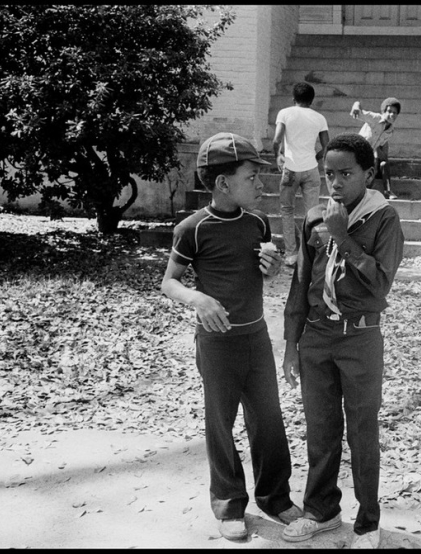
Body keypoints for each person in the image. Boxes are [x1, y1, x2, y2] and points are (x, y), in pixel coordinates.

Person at [161, 132, 303, 541]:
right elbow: (169, 282)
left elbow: (263, 274)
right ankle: (228, 504)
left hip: (256, 337)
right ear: (223, 183)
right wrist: (198, 299)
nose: (261, 184)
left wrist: (271, 270)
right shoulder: (193, 228)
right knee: (220, 423)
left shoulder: (258, 222)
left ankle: (275, 497)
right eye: (251, 177)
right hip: (217, 343)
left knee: (269, 420)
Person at [280, 134, 405, 549]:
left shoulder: (383, 218)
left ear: (369, 174)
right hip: (317, 336)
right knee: (320, 429)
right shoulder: (315, 216)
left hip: (360, 338)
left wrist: (342, 238)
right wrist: (291, 344)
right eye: (329, 173)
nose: (334, 183)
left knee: (362, 432)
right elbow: (301, 285)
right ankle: (321, 511)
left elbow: (381, 283)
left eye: (345, 174)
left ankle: (368, 522)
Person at [272, 82, 330, 267]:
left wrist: (278, 156)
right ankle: (310, 254)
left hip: (290, 168)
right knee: (312, 213)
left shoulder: (285, 113)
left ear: (293, 98)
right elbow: (327, 146)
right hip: (311, 169)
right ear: (312, 100)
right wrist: (316, 156)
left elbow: (276, 140)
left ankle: (291, 254)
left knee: (287, 210)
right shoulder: (319, 118)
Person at [350, 97, 401, 200]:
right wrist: (356, 105)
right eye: (389, 111)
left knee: (377, 165)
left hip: (369, 155)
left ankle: (382, 192)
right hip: (356, 153)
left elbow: (382, 150)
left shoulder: (390, 130)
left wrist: (378, 158)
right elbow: (360, 112)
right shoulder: (375, 118)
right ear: (383, 112)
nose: (392, 115)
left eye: (395, 113)